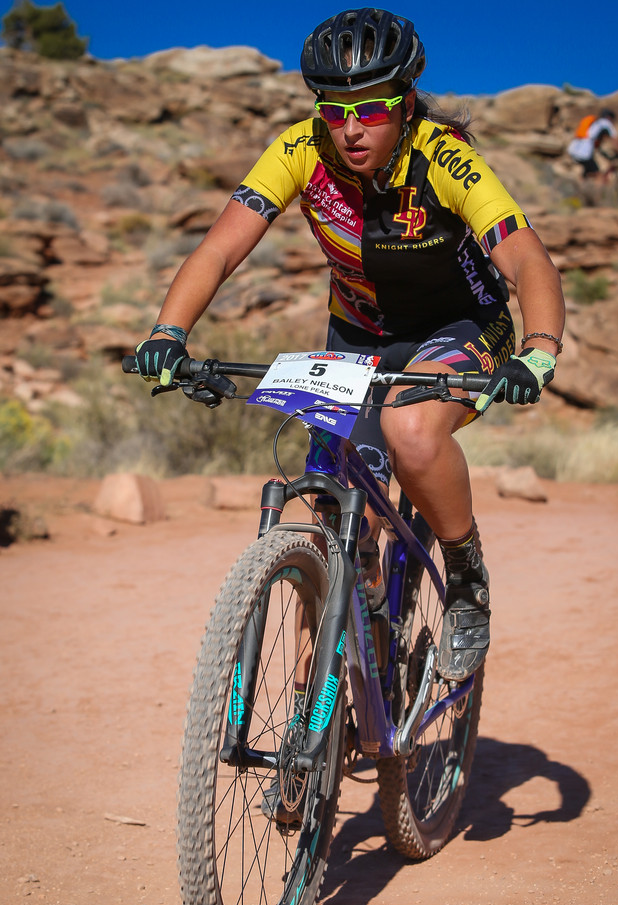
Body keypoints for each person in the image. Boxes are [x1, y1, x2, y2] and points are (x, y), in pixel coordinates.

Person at [135, 7, 565, 686]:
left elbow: (528, 259)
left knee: (410, 431)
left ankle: (465, 576)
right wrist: (168, 333)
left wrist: (538, 348)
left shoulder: (444, 156)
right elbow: (218, 249)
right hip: (356, 335)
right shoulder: (299, 149)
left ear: (406, 104)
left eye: (371, 108)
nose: (351, 128)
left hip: (459, 327)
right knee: (331, 503)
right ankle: (321, 709)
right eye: (334, 111)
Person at [567, 108, 618, 183]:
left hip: (574, 148)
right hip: (584, 152)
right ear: (609, 117)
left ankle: (581, 186)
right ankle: (597, 190)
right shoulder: (605, 123)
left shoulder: (596, 123)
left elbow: (597, 144)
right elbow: (615, 140)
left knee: (588, 172)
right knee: (598, 174)